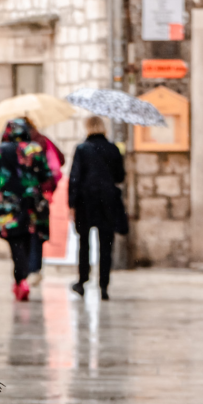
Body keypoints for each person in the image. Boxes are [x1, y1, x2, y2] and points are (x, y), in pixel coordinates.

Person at [0, 118, 53, 301]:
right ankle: (24, 278)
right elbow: (46, 174)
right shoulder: (34, 149)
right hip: (31, 205)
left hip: (8, 205)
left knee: (16, 244)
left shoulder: (1, 150)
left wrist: (4, 184)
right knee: (28, 240)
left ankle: (20, 280)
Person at [68, 116, 126, 300]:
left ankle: (82, 281)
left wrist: (71, 203)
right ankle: (104, 286)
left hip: (85, 201)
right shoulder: (113, 149)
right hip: (108, 200)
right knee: (106, 245)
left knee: (84, 243)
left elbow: (75, 178)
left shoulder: (82, 149)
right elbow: (120, 177)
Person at [25, 120, 65, 285]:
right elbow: (59, 160)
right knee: (37, 232)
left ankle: (26, 270)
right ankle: (35, 269)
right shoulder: (42, 141)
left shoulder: (13, 145)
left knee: (24, 233)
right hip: (40, 195)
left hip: (20, 198)